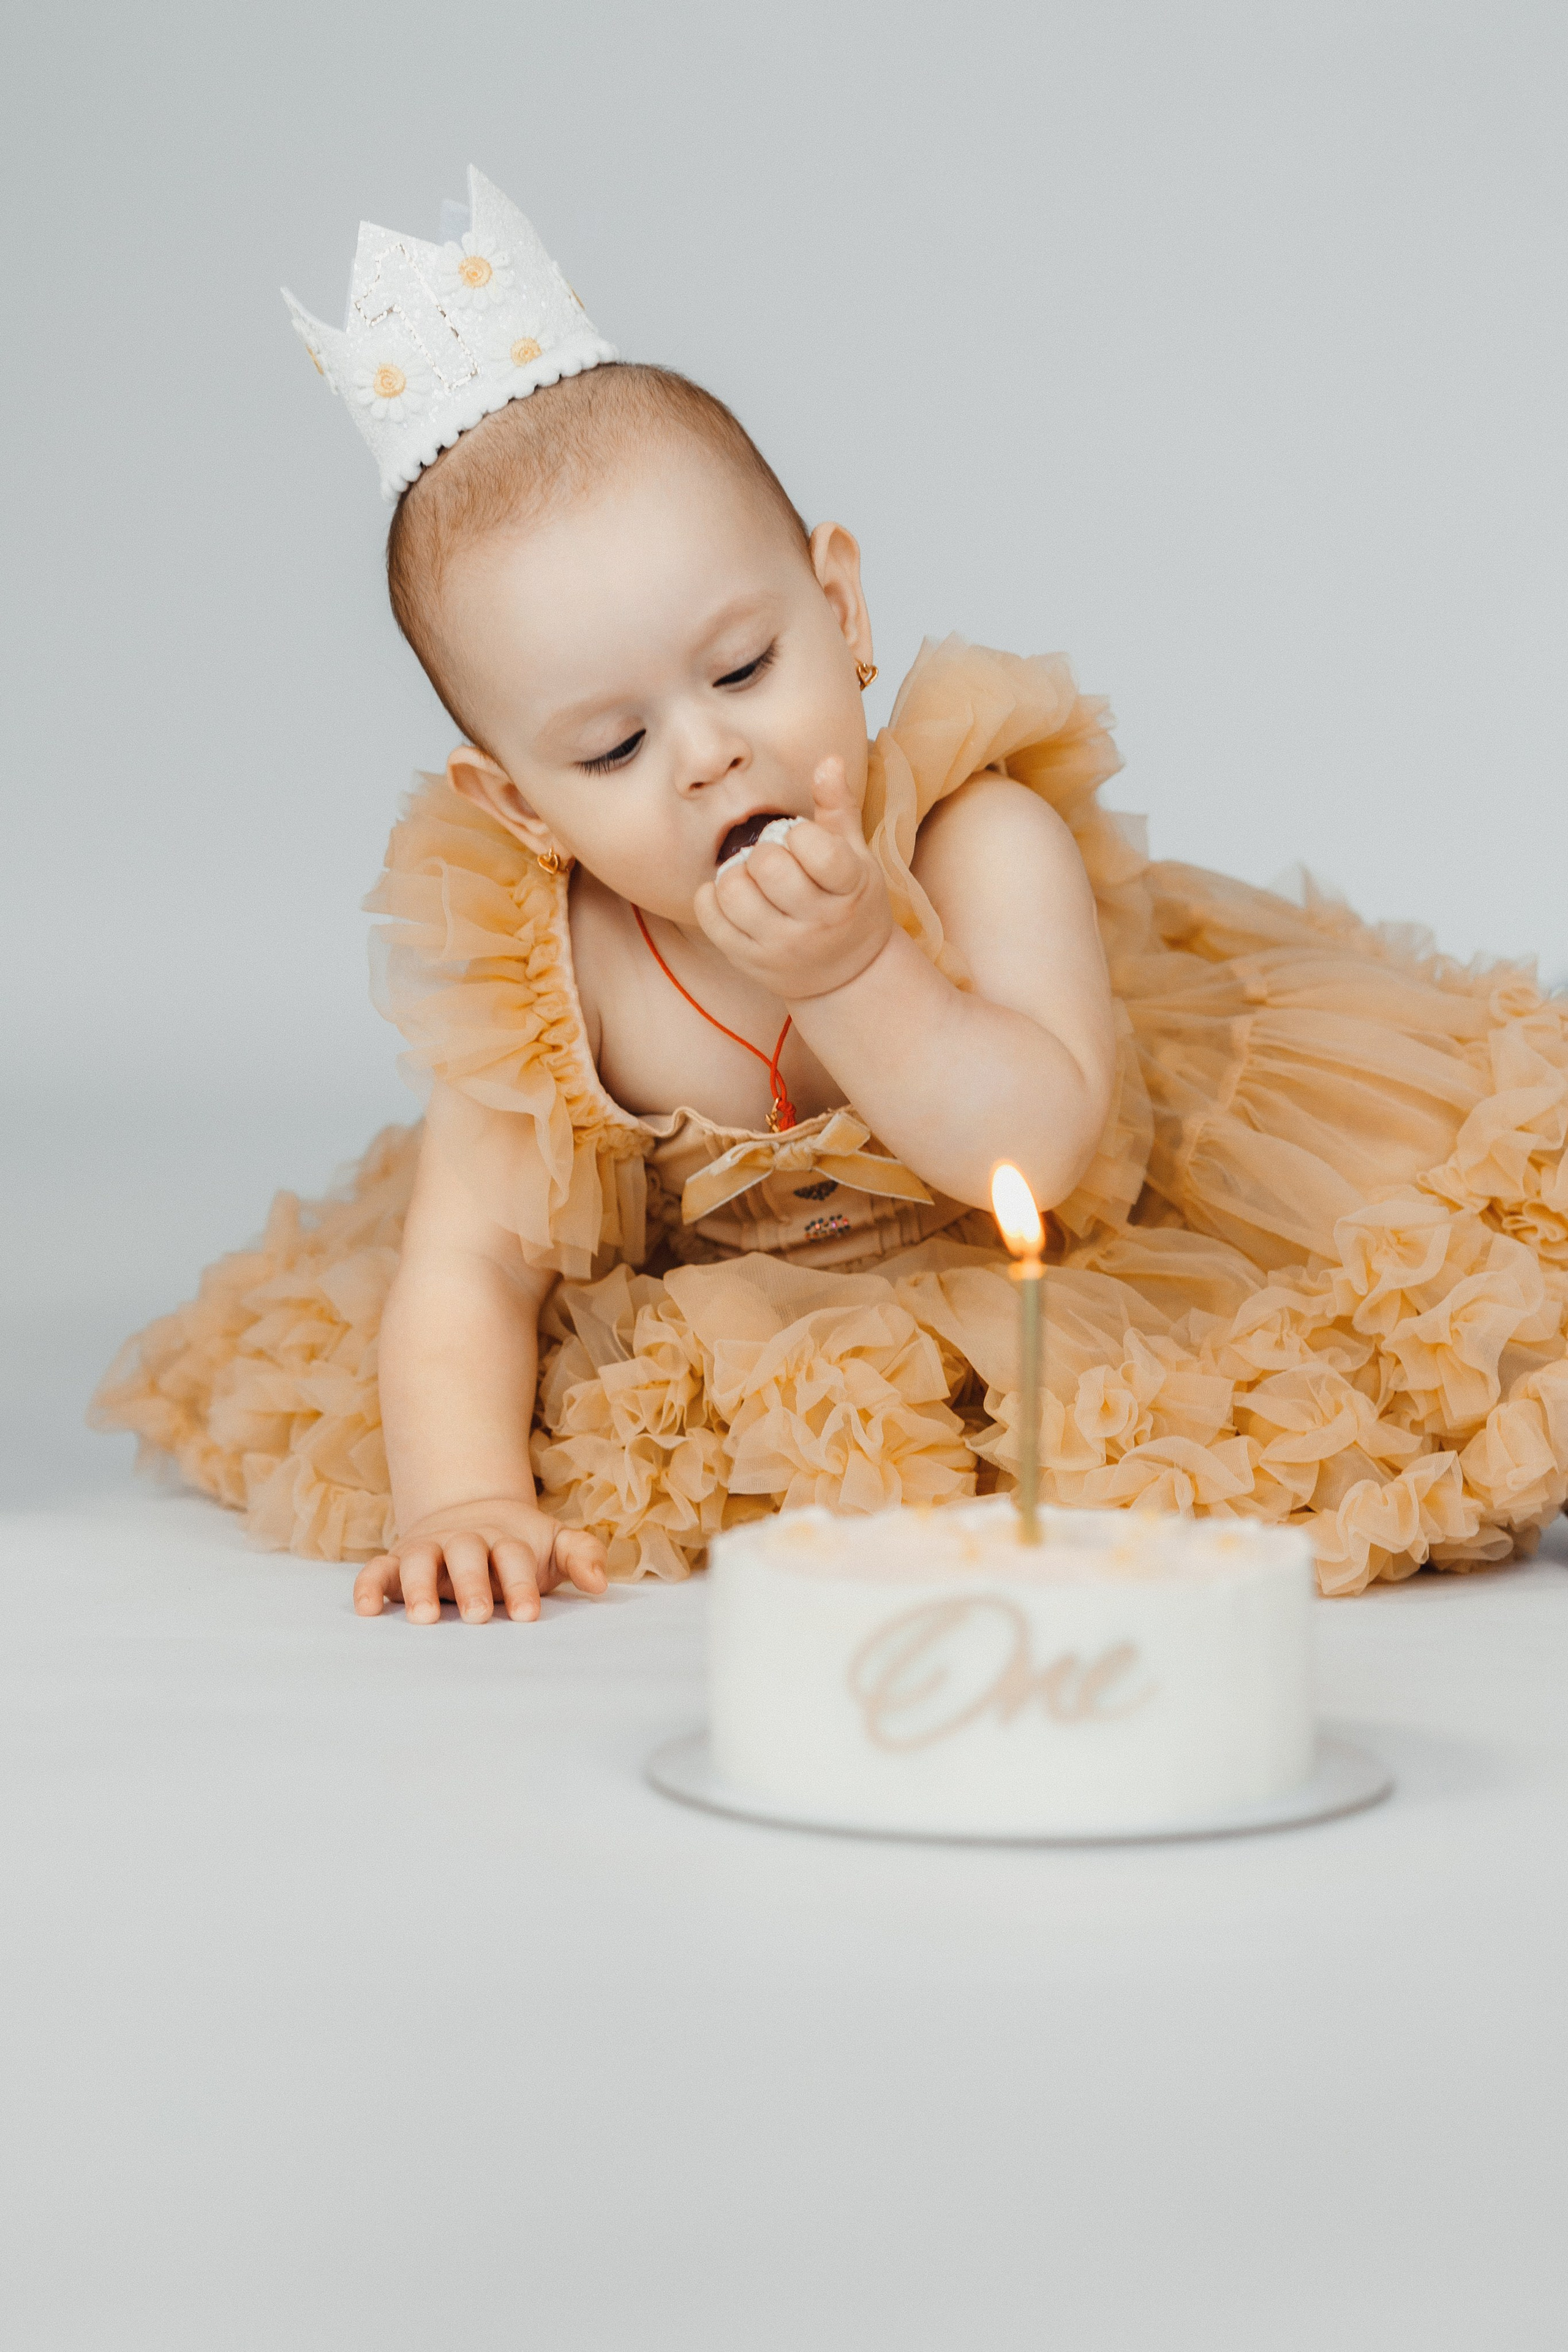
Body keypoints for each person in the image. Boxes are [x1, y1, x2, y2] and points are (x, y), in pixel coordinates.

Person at [94, 173, 1568, 1612]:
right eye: (610, 750)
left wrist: (857, 968)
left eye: (743, 669)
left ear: (840, 608)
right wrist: (463, 1500)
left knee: (1428, 1342)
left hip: (1080, 1255)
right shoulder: (545, 975)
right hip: (784, 1344)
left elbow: (1035, 1151)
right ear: (519, 803)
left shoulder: (976, 843)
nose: (706, 753)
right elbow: (470, 1264)